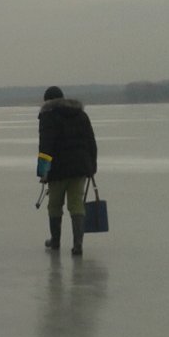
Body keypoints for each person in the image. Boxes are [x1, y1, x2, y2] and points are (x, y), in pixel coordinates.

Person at [37, 86, 98, 255]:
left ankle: (55, 241)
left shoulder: (48, 116)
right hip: (80, 167)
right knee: (76, 204)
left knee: (55, 205)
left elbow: (45, 146)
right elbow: (91, 143)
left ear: (47, 100)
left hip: (58, 169)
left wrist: (43, 171)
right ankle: (78, 244)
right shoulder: (81, 115)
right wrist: (91, 167)